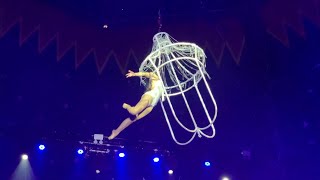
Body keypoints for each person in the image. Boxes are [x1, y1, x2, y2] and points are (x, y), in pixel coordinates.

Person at [108, 70, 164, 140]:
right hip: (149, 97)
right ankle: (126, 106)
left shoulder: (162, 84)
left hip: (152, 105)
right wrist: (134, 74)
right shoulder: (156, 78)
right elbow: (145, 74)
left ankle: (116, 132)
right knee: (133, 112)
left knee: (134, 119)